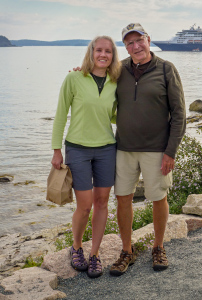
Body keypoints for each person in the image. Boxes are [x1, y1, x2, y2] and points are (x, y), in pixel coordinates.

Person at [109, 23, 186, 276]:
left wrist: (171, 151)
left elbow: (179, 114)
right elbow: (94, 81)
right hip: (124, 148)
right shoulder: (118, 69)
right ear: (125, 46)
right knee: (123, 198)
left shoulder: (166, 69)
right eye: (129, 43)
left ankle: (158, 246)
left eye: (139, 40)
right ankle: (126, 250)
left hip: (157, 150)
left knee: (158, 198)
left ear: (148, 40)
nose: (135, 46)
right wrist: (79, 73)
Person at [51, 35, 121, 279]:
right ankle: (77, 247)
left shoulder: (115, 82)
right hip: (77, 149)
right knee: (84, 205)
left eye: (108, 51)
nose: (103, 55)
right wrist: (56, 150)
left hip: (106, 149)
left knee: (102, 202)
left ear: (113, 55)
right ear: (91, 53)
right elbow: (61, 114)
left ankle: (94, 254)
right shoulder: (74, 78)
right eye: (98, 50)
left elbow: (112, 116)